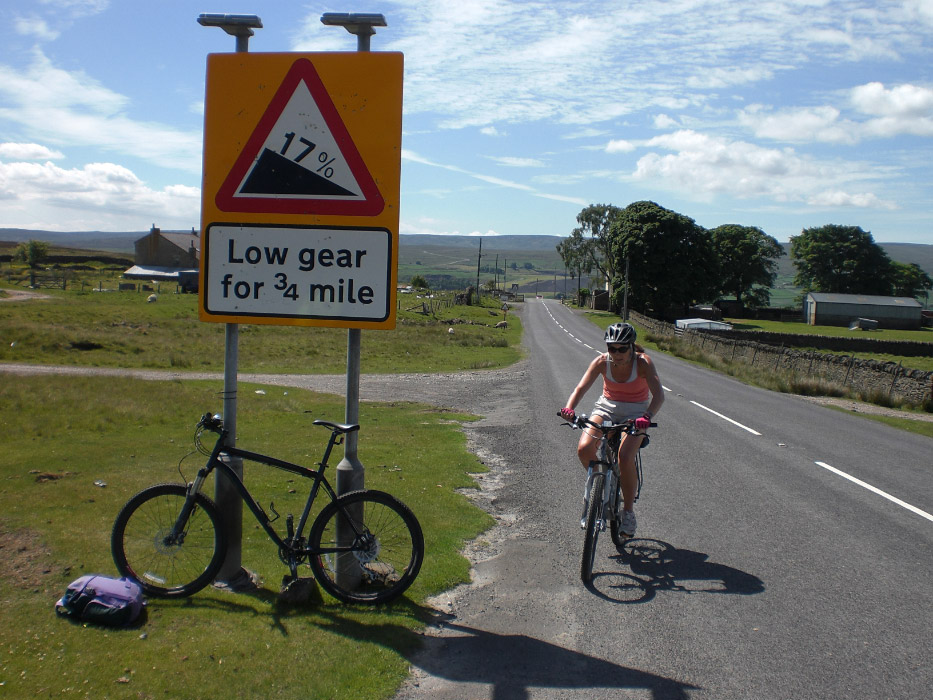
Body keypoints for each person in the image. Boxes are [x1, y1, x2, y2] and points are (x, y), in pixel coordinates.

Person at [560, 322, 664, 537]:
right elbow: (581, 387)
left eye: (621, 348)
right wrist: (569, 409)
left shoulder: (643, 363)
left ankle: (628, 513)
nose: (616, 353)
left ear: (631, 347)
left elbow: (659, 396)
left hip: (635, 412)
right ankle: (599, 487)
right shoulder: (601, 361)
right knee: (584, 448)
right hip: (606, 407)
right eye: (611, 348)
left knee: (625, 456)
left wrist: (647, 417)